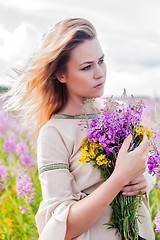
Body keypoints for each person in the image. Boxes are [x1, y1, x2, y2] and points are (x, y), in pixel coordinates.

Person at [4, 18, 155, 240]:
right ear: (61, 75)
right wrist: (120, 177)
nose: (99, 73)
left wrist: (143, 181)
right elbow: (64, 228)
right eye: (86, 67)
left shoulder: (119, 114)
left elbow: (144, 170)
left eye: (101, 61)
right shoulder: (53, 133)